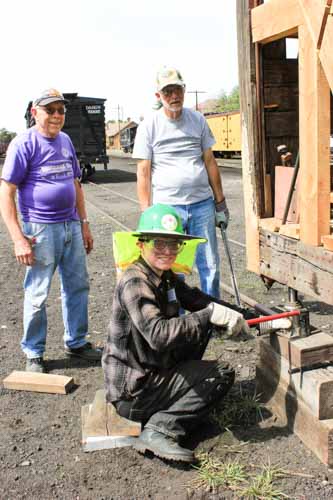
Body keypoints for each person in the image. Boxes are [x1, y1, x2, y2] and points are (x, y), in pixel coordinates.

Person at [102, 204, 250, 463]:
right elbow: (158, 335)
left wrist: (241, 314)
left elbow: (195, 298)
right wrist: (209, 316)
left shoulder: (164, 275)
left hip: (150, 369)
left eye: (174, 245)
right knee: (220, 373)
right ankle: (160, 429)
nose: (167, 251)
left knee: (201, 326)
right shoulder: (135, 282)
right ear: (141, 244)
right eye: (159, 243)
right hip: (133, 391)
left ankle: (169, 402)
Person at [0, 88, 102, 373]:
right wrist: (18, 238)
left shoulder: (66, 140)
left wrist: (84, 224)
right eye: (50, 110)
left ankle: (77, 343)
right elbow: (6, 192)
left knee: (78, 286)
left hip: (70, 225)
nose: (57, 115)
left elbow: (76, 184)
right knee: (38, 292)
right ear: (35, 113)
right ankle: (34, 352)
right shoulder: (23, 144)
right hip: (41, 230)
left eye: (61, 110)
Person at [133, 66, 229, 299]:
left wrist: (220, 203)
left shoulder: (197, 120)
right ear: (158, 96)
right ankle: (177, 320)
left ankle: (211, 315)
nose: (173, 96)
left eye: (177, 90)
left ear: (184, 90)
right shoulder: (149, 126)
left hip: (202, 205)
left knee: (210, 265)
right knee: (173, 269)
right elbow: (143, 171)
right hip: (168, 209)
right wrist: (146, 213)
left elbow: (210, 161)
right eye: (167, 92)